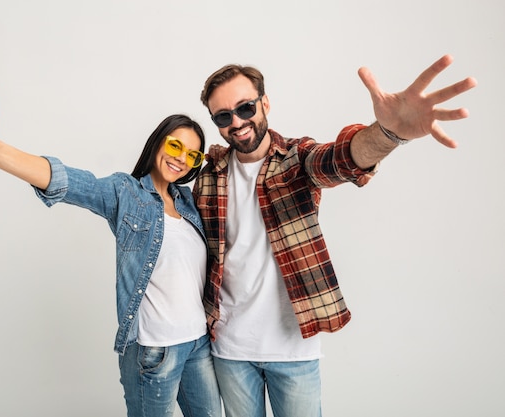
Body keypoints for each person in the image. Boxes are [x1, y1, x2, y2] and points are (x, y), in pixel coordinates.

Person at [0, 83, 222, 417]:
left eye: (192, 155)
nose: (181, 158)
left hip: (198, 343)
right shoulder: (126, 194)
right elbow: (70, 182)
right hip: (155, 348)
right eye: (175, 145)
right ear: (159, 142)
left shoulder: (188, 201)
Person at [192, 54, 477, 417]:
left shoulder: (296, 159)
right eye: (223, 116)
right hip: (229, 351)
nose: (237, 122)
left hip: (293, 350)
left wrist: (388, 133)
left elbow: (341, 160)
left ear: (265, 103)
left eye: (245, 107)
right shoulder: (208, 176)